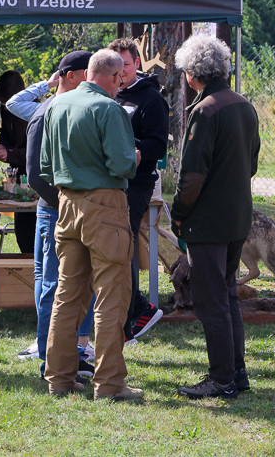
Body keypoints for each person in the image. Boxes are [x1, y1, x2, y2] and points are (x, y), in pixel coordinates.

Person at [41, 49, 141, 401]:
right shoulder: (109, 109)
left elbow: (44, 165)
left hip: (66, 205)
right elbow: (123, 165)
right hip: (106, 208)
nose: (120, 85)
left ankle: (59, 379)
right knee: (111, 298)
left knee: (67, 297)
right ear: (113, 77)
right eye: (120, 79)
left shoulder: (57, 105)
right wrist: (136, 157)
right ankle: (110, 384)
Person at [170, 35, 260, 400]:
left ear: (193, 74)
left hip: (208, 222)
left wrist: (179, 215)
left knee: (211, 302)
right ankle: (236, 374)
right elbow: (252, 163)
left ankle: (221, 378)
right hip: (237, 216)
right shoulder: (244, 105)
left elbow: (192, 176)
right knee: (227, 296)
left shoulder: (205, 111)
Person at [16, 50, 96, 379]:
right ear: (73, 75)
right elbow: (35, 174)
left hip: (56, 210)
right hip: (54, 211)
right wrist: (67, 206)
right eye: (88, 75)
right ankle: (52, 357)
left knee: (57, 284)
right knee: (52, 286)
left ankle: (67, 351)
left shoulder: (67, 109)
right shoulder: (47, 112)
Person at [107, 38, 168, 342]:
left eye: (126, 65)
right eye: (115, 67)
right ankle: (124, 310)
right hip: (109, 183)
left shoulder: (151, 99)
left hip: (137, 184)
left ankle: (139, 310)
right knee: (116, 245)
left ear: (137, 65)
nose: (121, 73)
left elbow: (157, 146)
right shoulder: (110, 95)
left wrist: (127, 146)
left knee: (124, 244)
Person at [0, 70, 34, 253]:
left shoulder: (35, 112)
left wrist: (10, 154)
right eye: (3, 104)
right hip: (18, 179)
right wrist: (1, 146)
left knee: (34, 233)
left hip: (36, 179)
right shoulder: (6, 111)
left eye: (8, 104)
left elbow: (38, 153)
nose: (6, 108)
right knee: (22, 233)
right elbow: (6, 134)